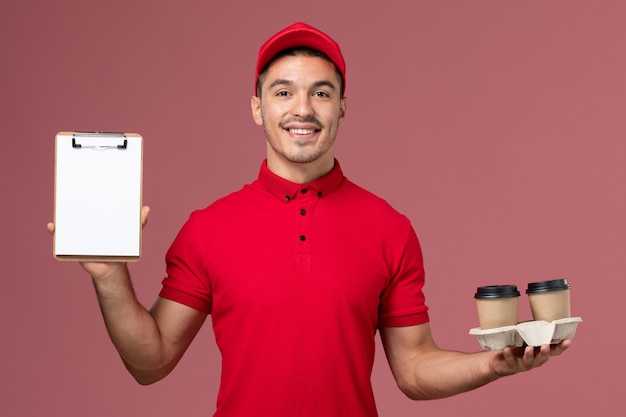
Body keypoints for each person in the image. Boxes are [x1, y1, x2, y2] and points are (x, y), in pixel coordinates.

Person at [48, 22, 570, 417]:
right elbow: (151, 362)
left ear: (342, 108)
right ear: (257, 108)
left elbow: (412, 369)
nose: (303, 108)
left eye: (321, 92)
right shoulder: (207, 228)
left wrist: (493, 363)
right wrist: (109, 275)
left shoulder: (390, 227)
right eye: (283, 92)